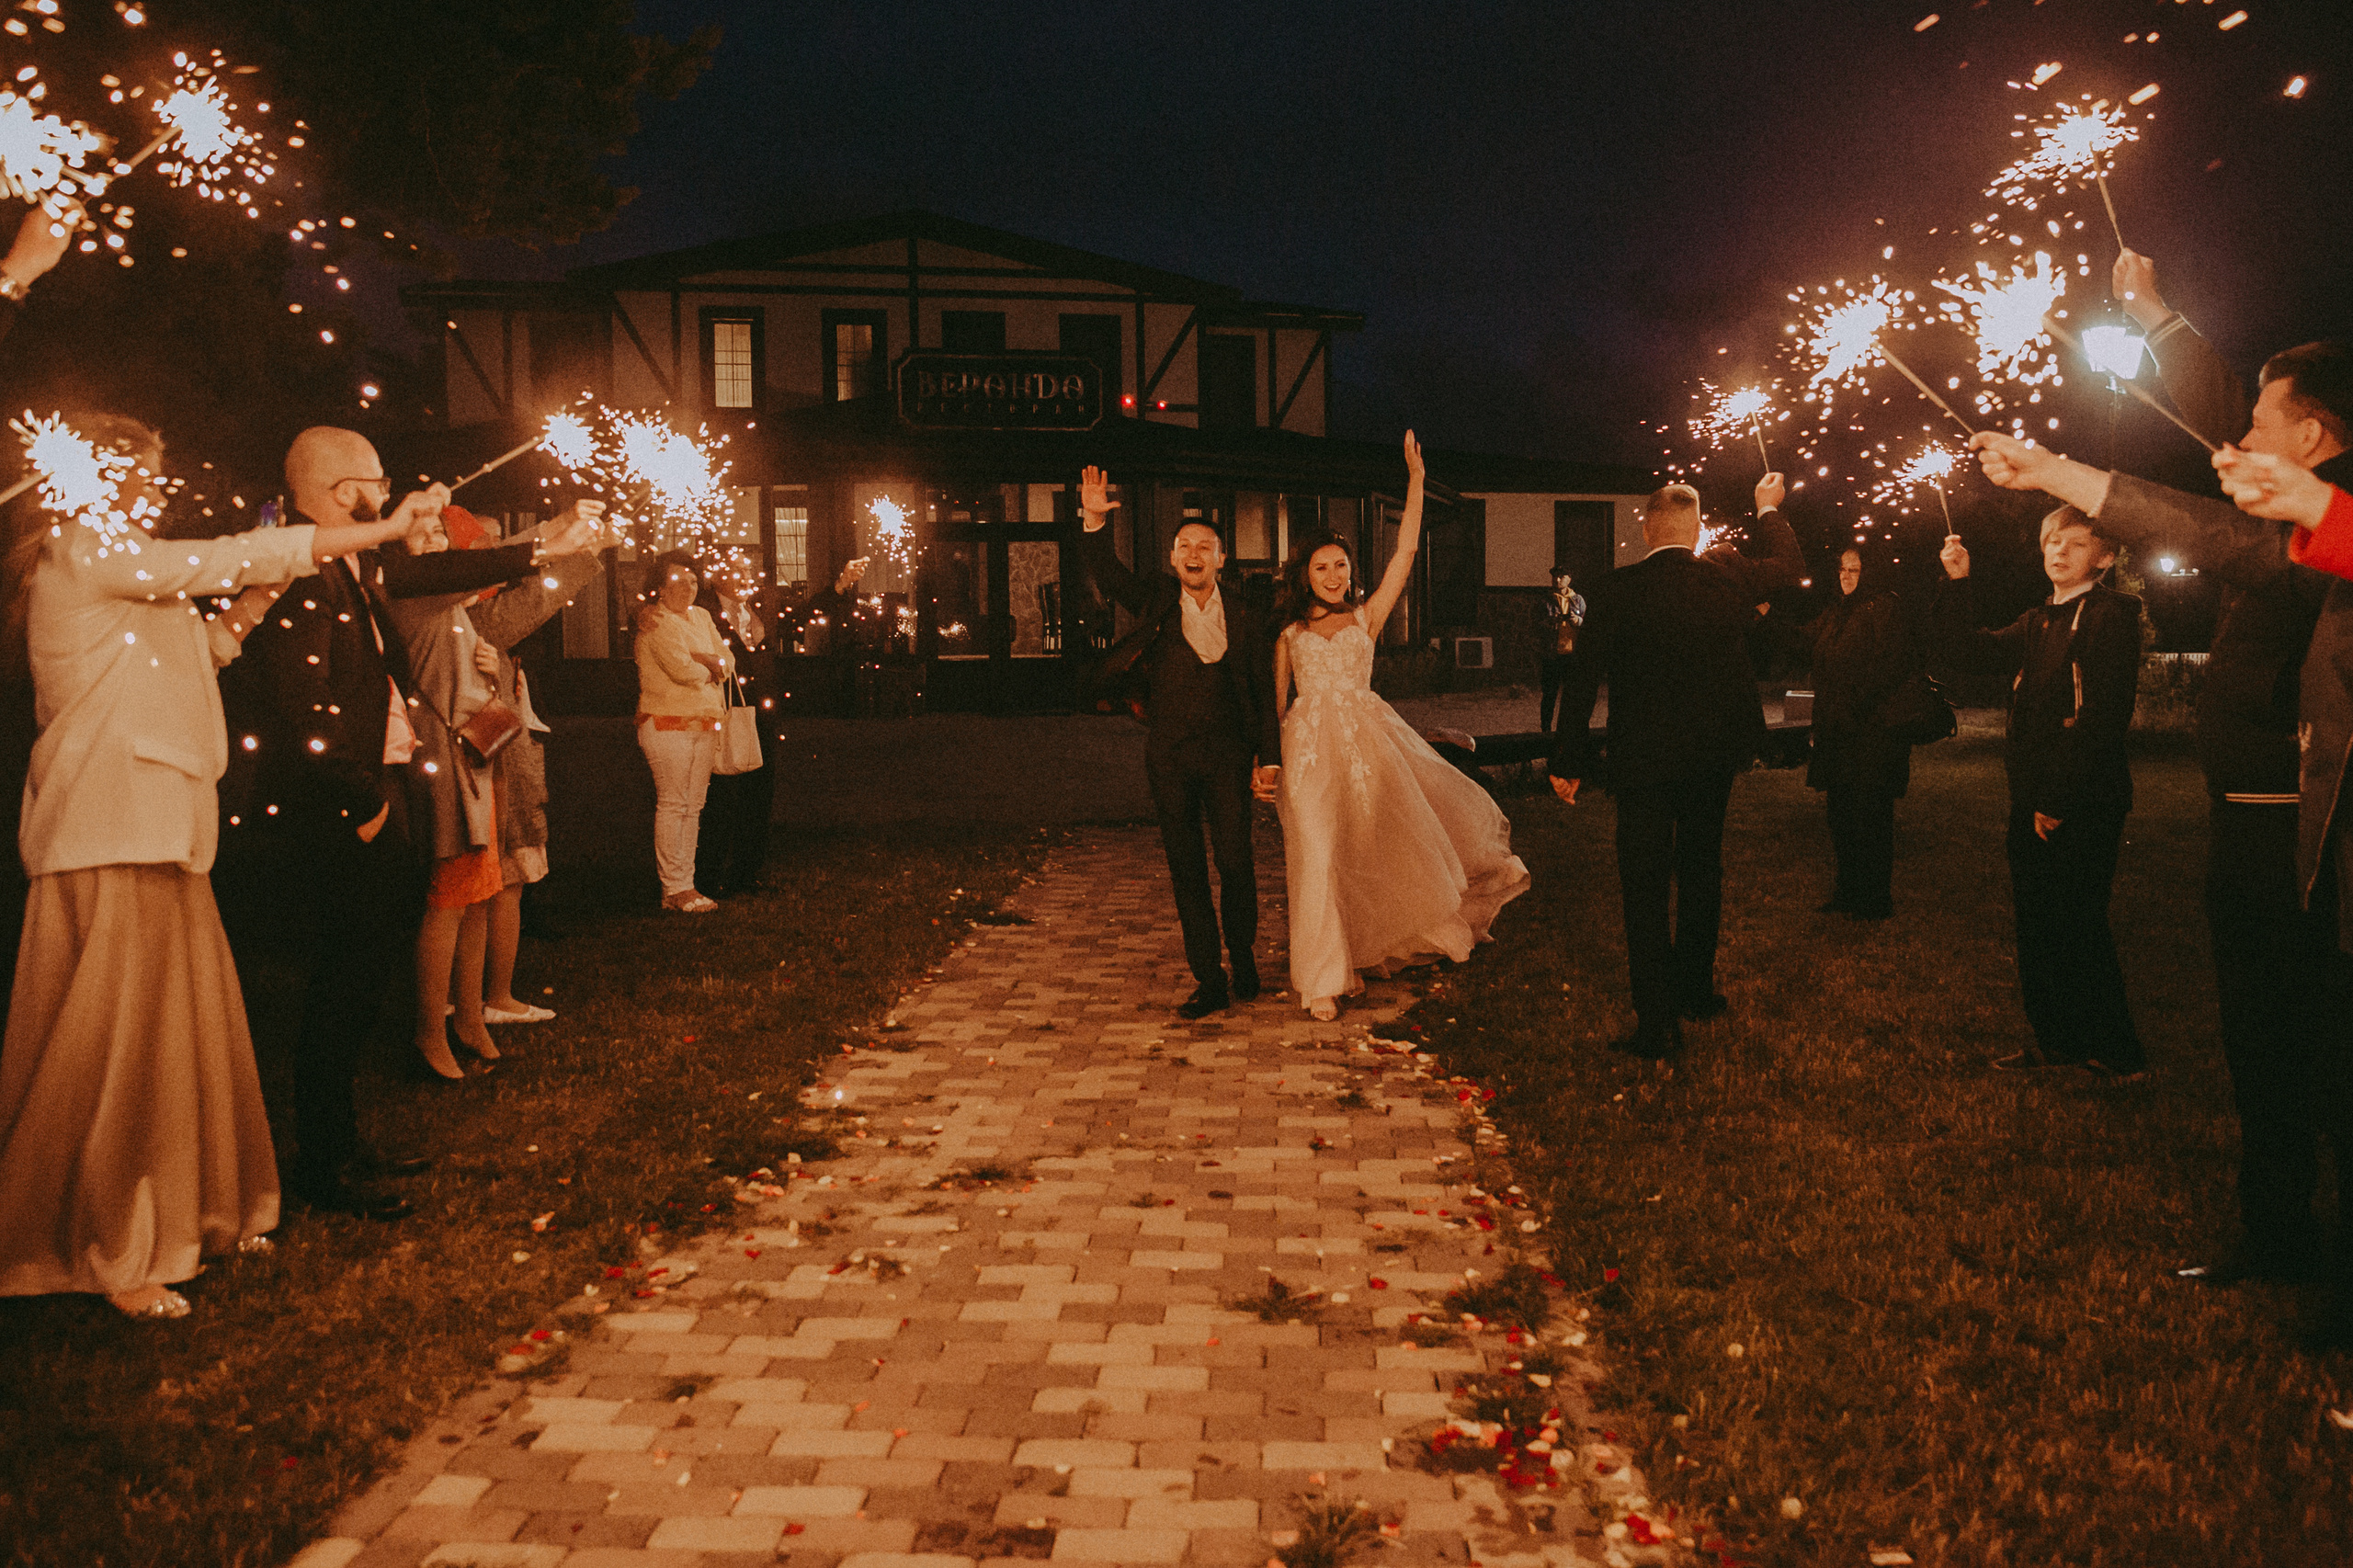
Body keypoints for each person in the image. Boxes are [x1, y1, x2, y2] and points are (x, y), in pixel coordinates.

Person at [0, 415, 426, 1317]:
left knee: (170, 1039)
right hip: (106, 829)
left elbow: (206, 649)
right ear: (101, 479)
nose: (155, 491)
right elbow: (217, 558)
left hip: (162, 828)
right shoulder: (85, 549)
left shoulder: (126, 573)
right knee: (115, 1050)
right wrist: (381, 527)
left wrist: (256, 600)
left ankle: (187, 1214)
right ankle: (112, 1245)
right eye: (144, 474)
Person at [1972, 334, 2353, 1336]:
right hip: (2258, 832)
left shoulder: (2327, 530)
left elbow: (2236, 539)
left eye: (2262, 422)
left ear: (2313, 435)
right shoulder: (2301, 525)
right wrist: (2055, 469)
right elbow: (2217, 527)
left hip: (2301, 839)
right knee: (2265, 1044)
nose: (2240, 437)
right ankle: (2276, 1234)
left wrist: (2312, 503)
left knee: (2325, 1063)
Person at [212, 427, 602, 1221]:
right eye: (376, 482)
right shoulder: (303, 568)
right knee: (338, 988)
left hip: (375, 791)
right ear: (338, 489)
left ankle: (343, 1141)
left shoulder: (352, 564)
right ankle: (324, 1163)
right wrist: (366, 809)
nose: (388, 496)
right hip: (339, 810)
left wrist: (542, 547)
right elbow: (304, 711)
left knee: (355, 987)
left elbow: (443, 570)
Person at [1271, 431, 1529, 1020]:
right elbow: (1274, 705)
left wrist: (1414, 484)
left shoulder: (1367, 617)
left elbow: (1405, 556)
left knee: (1373, 849)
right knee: (1316, 854)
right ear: (1304, 575)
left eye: (1341, 566)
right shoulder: (1288, 636)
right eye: (1322, 568)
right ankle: (1320, 979)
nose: (1334, 576)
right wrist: (1267, 765)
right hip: (1310, 753)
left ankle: (1362, 949)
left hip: (1369, 746)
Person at [1549, 476, 1804, 1059]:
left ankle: (1658, 1020)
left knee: (1643, 884)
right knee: (1700, 868)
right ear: (1696, 530)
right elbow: (1789, 566)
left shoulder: (1610, 591)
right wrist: (1768, 509)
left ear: (1645, 527)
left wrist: (1567, 760)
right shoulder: (1727, 576)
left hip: (1643, 759)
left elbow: (1581, 680)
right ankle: (1695, 990)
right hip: (1712, 756)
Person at [382, 504, 604, 1078]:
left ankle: (472, 1019)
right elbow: (485, 567)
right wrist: (559, 535)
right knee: (450, 897)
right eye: (423, 536)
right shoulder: (414, 594)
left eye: (439, 535)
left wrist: (488, 671)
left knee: (482, 893)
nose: (435, 545)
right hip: (447, 761)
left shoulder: (452, 606)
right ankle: (430, 1030)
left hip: (480, 757)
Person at [1931, 507, 2144, 1076]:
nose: (2059, 551)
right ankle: (2059, 1040)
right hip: (2030, 798)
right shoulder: (2037, 621)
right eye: (2051, 540)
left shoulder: (2112, 616)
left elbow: (2102, 716)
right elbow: (1968, 652)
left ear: (2103, 558)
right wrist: (1959, 582)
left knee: (2078, 923)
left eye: (2074, 543)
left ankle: (2118, 1052)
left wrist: (2058, 798)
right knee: (2038, 925)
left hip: (2081, 800)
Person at [1077, 465, 1282, 1018]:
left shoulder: (1244, 616)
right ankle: (1208, 978)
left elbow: (1265, 695)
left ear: (1221, 559)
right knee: (1187, 869)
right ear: (1173, 560)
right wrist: (1095, 519)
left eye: (1205, 546)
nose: (1194, 554)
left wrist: (1270, 761)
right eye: (1184, 546)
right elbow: (1108, 572)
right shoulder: (1156, 604)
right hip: (1169, 759)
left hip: (1229, 760)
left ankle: (1241, 955)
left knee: (1236, 864)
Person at [694, 555, 868, 899]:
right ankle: (708, 876)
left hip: (762, 713)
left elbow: (802, 615)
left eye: (748, 572)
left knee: (759, 793)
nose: (745, 578)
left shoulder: (761, 609)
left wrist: (841, 584)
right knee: (721, 796)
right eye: (736, 573)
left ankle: (746, 873)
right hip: (723, 711)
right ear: (716, 580)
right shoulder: (703, 612)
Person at [1803, 546, 1917, 919]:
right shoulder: (1838, 611)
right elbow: (1805, 642)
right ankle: (1848, 892)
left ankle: (1874, 899)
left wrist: (1855, 706)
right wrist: (1766, 615)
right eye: (1842, 569)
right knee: (1841, 816)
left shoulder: (1884, 608)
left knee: (1869, 817)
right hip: (1838, 734)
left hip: (1871, 736)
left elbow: (1888, 667)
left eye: (1855, 569)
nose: (1847, 576)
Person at [635, 551, 733, 913]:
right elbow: (681, 669)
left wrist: (707, 661)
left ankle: (685, 884)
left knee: (694, 805)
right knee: (674, 803)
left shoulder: (703, 616)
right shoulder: (656, 621)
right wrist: (706, 662)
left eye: (692, 580)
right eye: (677, 580)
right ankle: (673, 886)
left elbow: (728, 659)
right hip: (666, 723)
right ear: (659, 587)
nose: (687, 587)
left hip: (705, 721)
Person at [1538, 567, 1586, 733]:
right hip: (1552, 655)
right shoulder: (1545, 600)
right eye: (1554, 577)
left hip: (1571, 656)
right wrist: (1551, 622)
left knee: (1572, 697)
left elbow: (1587, 623)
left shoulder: (1578, 600)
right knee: (1549, 695)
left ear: (1569, 579)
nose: (1557, 580)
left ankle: (1569, 731)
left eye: (1561, 577)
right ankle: (1546, 731)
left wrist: (1577, 620)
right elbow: (1535, 624)